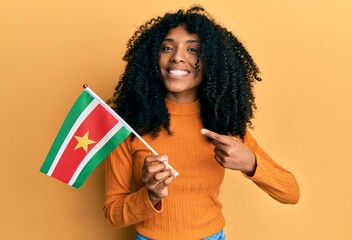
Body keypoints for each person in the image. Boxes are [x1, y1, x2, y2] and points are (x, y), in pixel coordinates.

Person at [103, 5, 300, 240]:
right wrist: (150, 195)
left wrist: (250, 162)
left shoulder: (223, 124)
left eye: (193, 50)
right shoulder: (128, 127)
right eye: (167, 47)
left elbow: (291, 192)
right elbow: (112, 215)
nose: (177, 56)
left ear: (212, 62)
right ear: (152, 57)